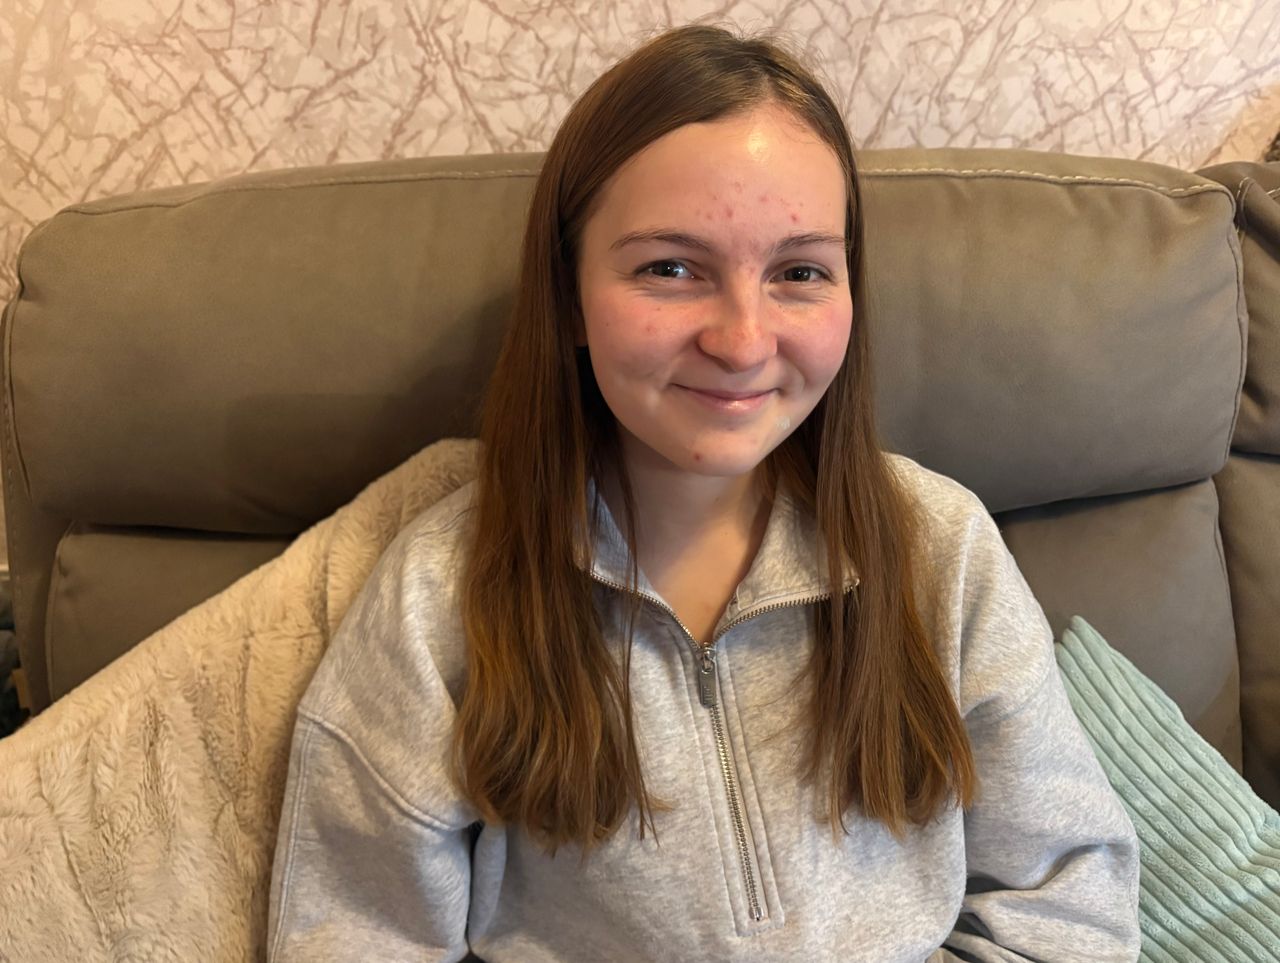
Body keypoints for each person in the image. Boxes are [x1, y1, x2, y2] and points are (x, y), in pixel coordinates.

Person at [266, 23, 1141, 963]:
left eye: (799, 270)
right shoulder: (439, 594)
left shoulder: (939, 545)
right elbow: (354, 932)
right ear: (567, 294)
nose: (743, 340)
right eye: (670, 268)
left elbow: (1070, 903)